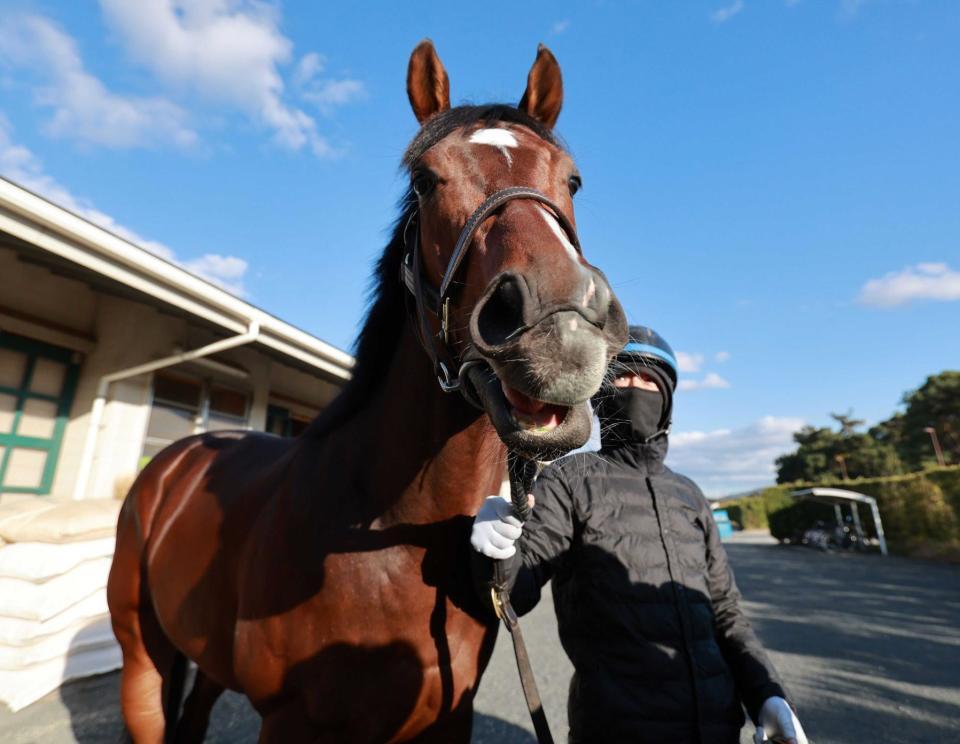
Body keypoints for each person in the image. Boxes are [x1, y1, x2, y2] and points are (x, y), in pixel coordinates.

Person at [471, 326, 808, 744]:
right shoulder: (569, 478)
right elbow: (515, 589)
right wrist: (497, 551)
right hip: (616, 728)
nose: (636, 387)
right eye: (622, 376)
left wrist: (767, 694)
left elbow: (725, 612)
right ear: (598, 393)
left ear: (667, 400)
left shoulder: (689, 494)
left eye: (650, 380)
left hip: (719, 726)